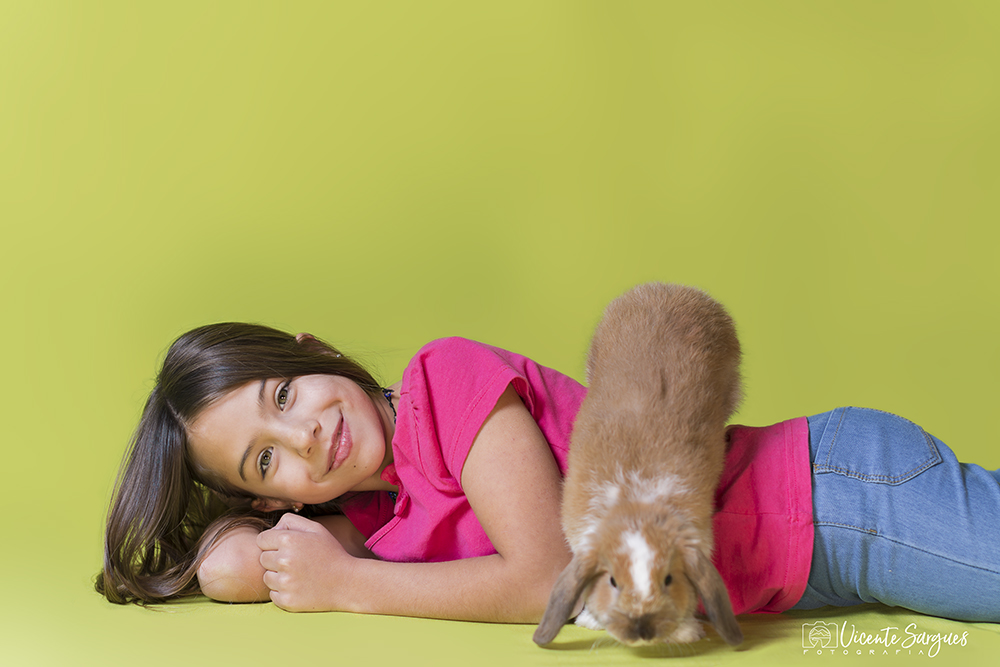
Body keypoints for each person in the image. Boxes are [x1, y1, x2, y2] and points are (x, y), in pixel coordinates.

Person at [96, 320, 1000, 626]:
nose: (307, 437)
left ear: (312, 351)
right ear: (271, 499)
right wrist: (267, 540)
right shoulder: (386, 513)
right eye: (267, 459)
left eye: (286, 393)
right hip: (807, 569)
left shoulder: (442, 383)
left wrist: (347, 587)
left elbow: (544, 575)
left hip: (838, 498)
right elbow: (228, 567)